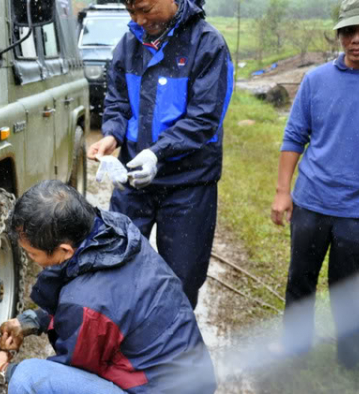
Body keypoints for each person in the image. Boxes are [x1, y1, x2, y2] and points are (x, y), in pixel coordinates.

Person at [0, 180, 216, 394]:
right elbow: (104, 309)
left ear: (64, 250)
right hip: (188, 378)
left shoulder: (85, 302)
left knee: (28, 377)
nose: (30, 257)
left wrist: (4, 371)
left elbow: (74, 368)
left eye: (32, 253)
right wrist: (32, 321)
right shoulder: (117, 233)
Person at [87, 0, 234, 309]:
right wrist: (112, 135)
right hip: (133, 182)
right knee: (115, 267)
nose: (139, 20)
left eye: (145, 8)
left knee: (181, 280)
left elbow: (204, 119)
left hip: (188, 186)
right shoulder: (128, 45)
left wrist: (157, 154)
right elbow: (116, 102)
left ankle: (171, 349)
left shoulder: (207, 45)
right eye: (131, 12)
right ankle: (125, 346)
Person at [270, 0, 359, 373]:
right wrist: (283, 191)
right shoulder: (316, 81)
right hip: (311, 203)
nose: (357, 39)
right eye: (348, 31)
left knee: (348, 289)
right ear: (339, 35)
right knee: (300, 280)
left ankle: (355, 360)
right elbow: (294, 136)